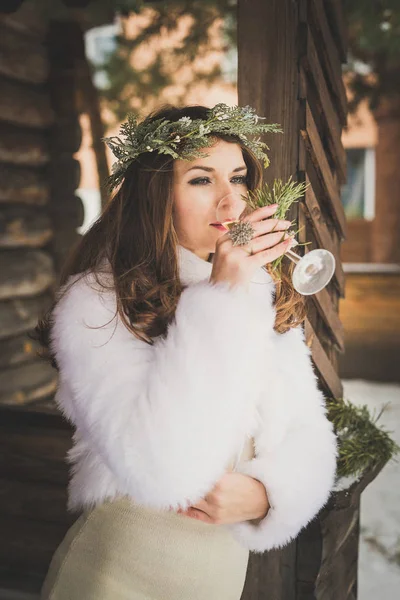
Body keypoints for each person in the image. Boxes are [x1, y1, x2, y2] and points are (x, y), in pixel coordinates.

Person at [37, 103, 337, 600]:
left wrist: (270, 494)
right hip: (118, 574)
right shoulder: (97, 302)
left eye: (238, 178)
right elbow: (161, 471)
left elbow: (307, 430)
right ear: (157, 196)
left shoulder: (254, 293)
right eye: (201, 180)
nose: (231, 203)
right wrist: (220, 299)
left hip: (216, 580)